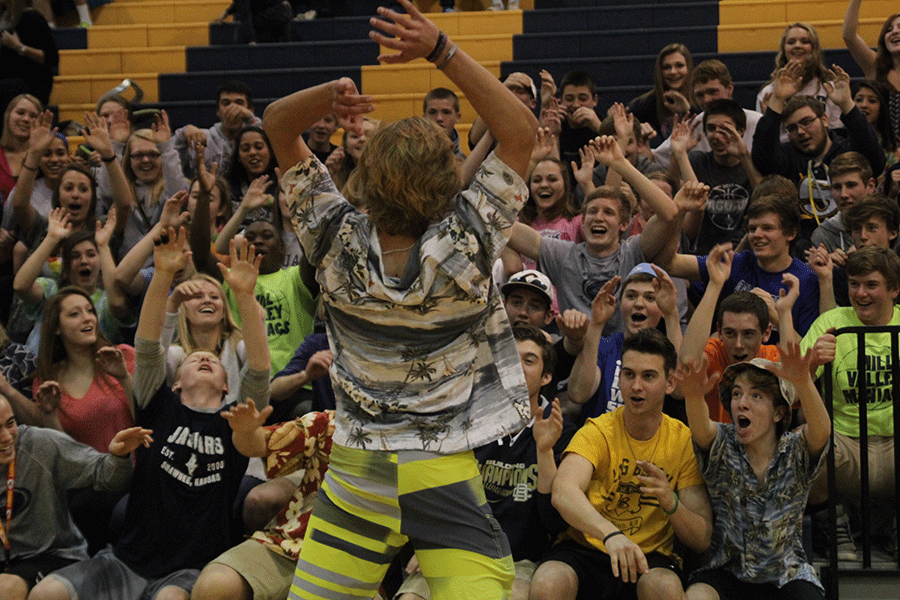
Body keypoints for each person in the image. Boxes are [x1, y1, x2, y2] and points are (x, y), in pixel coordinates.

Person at [263, 0, 539, 596]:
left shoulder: (332, 242)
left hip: (357, 471)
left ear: (366, 178)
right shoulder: (466, 246)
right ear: (447, 183)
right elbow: (521, 132)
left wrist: (327, 101)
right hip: (438, 472)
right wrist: (441, 48)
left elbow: (277, 124)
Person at [30, 229, 271, 600]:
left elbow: (258, 369)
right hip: (125, 561)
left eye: (210, 360)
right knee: (47, 592)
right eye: (193, 360)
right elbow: (146, 346)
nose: (204, 357)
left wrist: (243, 296)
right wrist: (161, 277)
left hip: (189, 570)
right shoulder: (157, 405)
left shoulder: (236, 423)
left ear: (227, 386)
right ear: (175, 384)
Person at [396, 325, 577, 600]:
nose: (517, 366)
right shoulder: (469, 420)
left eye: (528, 360)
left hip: (519, 560)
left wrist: (544, 450)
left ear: (546, 376)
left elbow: (553, 523)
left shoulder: (561, 430)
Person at [530, 328, 712, 600]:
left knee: (664, 588)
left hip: (649, 557)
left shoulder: (683, 440)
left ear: (670, 383)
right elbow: (563, 492)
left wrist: (671, 502)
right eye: (628, 375)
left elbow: (701, 538)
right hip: (587, 547)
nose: (636, 386)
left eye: (648, 376)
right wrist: (610, 535)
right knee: (548, 581)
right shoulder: (598, 431)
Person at [678, 339, 830, 600]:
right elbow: (702, 427)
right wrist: (693, 396)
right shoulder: (723, 442)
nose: (742, 403)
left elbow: (821, 432)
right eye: (737, 394)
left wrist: (804, 382)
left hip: (785, 574)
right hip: (727, 571)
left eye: (756, 396)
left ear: (779, 413)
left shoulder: (795, 450)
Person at [507, 136, 682, 335]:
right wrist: (531, 163)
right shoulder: (561, 253)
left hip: (624, 350)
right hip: (576, 351)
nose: (598, 218)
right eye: (592, 212)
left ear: (624, 224)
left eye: (608, 212)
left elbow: (669, 213)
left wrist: (621, 164)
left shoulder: (633, 250)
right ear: (582, 221)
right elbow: (500, 219)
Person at [0, 395, 151, 600]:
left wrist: (118, 457)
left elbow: (103, 473)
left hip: (51, 555)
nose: (7, 437)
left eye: (10, 423)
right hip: (7, 561)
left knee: (6, 589)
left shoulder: (39, 445)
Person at [802, 246, 900, 520]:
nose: (860, 294)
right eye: (854, 284)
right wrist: (811, 364)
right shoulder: (832, 322)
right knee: (798, 445)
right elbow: (790, 390)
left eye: (871, 285)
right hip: (845, 446)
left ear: (894, 289)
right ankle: (834, 526)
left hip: (895, 443)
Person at [750, 62, 886, 253]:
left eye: (806, 122)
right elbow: (762, 158)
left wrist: (847, 104)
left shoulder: (847, 150)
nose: (801, 132)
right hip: (805, 250)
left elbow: (875, 162)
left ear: (824, 119)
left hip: (853, 243)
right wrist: (777, 101)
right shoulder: (787, 157)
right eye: (792, 128)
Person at [664, 193, 820, 339]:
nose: (757, 234)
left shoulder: (806, 279)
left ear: (791, 234)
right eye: (752, 229)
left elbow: (809, 353)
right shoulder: (737, 263)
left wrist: (777, 317)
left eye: (767, 228)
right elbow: (669, 264)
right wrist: (680, 212)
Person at [678, 244, 791, 423]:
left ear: (766, 333)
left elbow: (796, 375)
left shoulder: (771, 357)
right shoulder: (714, 351)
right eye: (730, 333)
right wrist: (715, 284)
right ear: (720, 332)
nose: (738, 344)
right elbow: (688, 361)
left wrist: (782, 317)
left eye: (748, 334)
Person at [567, 263, 683, 422]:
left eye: (650, 297)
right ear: (620, 304)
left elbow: (680, 390)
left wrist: (671, 314)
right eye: (631, 295)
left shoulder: (667, 351)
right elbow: (578, 394)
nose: (639, 303)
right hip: (600, 442)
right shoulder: (604, 345)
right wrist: (596, 324)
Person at [670, 99, 762, 254]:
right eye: (711, 128)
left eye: (725, 129)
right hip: (702, 256)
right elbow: (688, 195)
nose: (717, 135)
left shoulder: (754, 163)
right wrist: (679, 154)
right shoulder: (697, 161)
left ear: (741, 131)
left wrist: (744, 156)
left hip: (746, 253)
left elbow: (766, 196)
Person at [652, 60, 763, 170]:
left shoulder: (757, 123)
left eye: (712, 92)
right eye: (700, 95)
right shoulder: (693, 126)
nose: (706, 100)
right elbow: (655, 159)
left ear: (729, 89)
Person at [757, 23, 842, 129]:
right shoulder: (769, 93)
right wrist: (770, 118)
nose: (797, 45)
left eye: (805, 41)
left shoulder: (830, 89)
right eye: (791, 42)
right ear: (784, 50)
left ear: (814, 48)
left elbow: (837, 132)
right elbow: (764, 141)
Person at [173, 80, 260, 178]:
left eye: (239, 103)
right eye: (226, 103)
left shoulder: (257, 140)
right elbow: (168, 166)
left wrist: (251, 119)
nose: (232, 108)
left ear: (250, 111)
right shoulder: (201, 137)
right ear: (218, 111)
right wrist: (183, 134)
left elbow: (270, 141)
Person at [842, 0, 900, 145]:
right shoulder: (876, 67)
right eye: (889, 29)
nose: (895, 31)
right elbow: (849, 35)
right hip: (883, 151)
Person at [808, 152, 876, 255]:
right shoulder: (823, 236)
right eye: (837, 187)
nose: (843, 195)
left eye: (851, 185)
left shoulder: (891, 226)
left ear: (870, 186)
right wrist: (832, 269)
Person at [628, 43, 695, 146]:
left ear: (689, 68)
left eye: (679, 65)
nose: (673, 72)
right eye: (666, 67)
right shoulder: (647, 102)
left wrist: (688, 110)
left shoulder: (700, 96)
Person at [0, 0, 58, 112]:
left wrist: (19, 47)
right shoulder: (3, 21)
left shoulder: (31, 17)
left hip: (33, 82)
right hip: (8, 81)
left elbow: (52, 58)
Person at [0, 93, 40, 200]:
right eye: (20, 113)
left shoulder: (46, 156)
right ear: (8, 115)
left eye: (33, 116)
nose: (26, 119)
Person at [423, 87, 465, 158]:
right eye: (432, 112)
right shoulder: (409, 158)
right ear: (424, 118)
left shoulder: (465, 163)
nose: (439, 118)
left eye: (446, 112)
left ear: (457, 117)